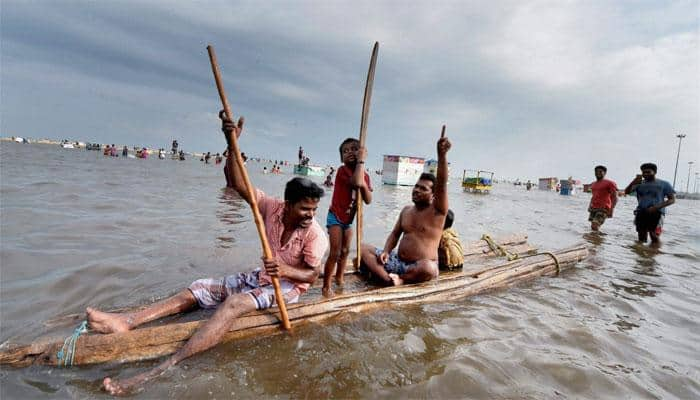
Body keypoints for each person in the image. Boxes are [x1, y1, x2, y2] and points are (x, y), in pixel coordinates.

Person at [87, 111, 328, 395]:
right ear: (288, 204)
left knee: (235, 303)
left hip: (289, 286)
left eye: (313, 210)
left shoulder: (315, 235)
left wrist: (286, 271)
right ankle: (127, 321)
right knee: (200, 287)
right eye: (304, 209)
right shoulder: (272, 207)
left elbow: (313, 275)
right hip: (266, 275)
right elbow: (238, 184)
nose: (309, 215)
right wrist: (231, 142)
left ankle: (164, 367)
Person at [359, 133, 451, 286]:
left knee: (428, 268)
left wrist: (441, 155)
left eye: (423, 189)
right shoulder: (406, 210)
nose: (416, 190)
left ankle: (401, 280)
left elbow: (442, 183)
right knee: (362, 248)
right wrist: (386, 251)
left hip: (418, 268)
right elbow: (395, 235)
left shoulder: (438, 212)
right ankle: (388, 280)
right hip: (397, 261)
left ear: (434, 195)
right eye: (416, 186)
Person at [322, 138, 373, 297]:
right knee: (335, 252)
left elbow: (368, 199)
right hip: (335, 217)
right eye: (345, 151)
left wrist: (364, 183)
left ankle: (340, 277)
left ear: (362, 151)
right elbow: (356, 182)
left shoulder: (365, 176)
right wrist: (361, 161)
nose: (350, 152)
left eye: (354, 149)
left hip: (348, 221)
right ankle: (326, 285)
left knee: (345, 251)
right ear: (341, 158)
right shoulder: (342, 171)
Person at [624, 163, 675, 244]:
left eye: (648, 172)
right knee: (641, 236)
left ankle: (655, 253)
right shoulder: (639, 183)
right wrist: (634, 182)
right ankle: (642, 254)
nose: (645, 174)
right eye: (644, 172)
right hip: (641, 211)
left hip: (657, 212)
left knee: (654, 235)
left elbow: (672, 200)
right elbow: (626, 192)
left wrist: (656, 207)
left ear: (654, 172)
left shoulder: (664, 184)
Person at [588, 165, 618, 231]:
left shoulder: (610, 183)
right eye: (596, 171)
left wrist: (611, 209)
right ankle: (597, 239)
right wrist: (590, 205)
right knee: (593, 227)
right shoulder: (593, 184)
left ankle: (598, 239)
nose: (598, 173)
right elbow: (593, 196)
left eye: (600, 171)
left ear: (605, 173)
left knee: (595, 225)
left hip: (604, 208)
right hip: (594, 207)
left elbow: (614, 197)